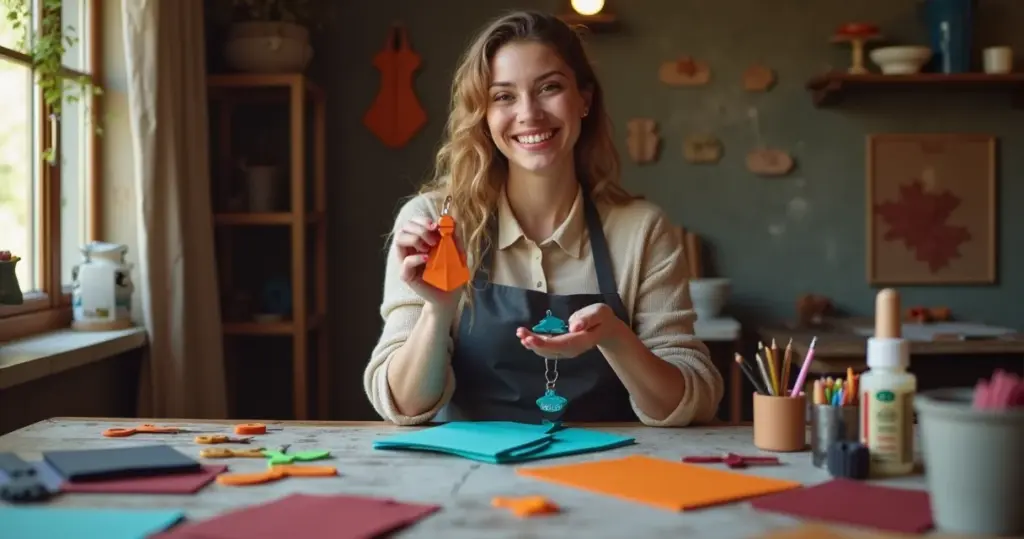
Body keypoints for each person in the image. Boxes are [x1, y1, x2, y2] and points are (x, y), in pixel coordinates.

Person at [363, 10, 723, 427]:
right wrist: (438, 309)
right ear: (483, 113)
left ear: (584, 98)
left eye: (549, 87)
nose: (529, 113)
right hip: (469, 481)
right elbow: (402, 406)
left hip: (612, 477)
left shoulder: (641, 230)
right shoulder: (433, 221)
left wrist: (615, 338)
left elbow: (695, 400)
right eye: (503, 96)